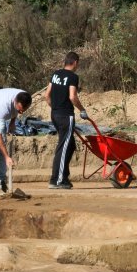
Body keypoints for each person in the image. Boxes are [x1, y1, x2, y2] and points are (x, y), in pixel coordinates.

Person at [44, 52, 88, 189]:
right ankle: (57, 180)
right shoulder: (73, 77)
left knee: (70, 145)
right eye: (78, 63)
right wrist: (82, 110)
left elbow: (47, 95)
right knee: (63, 147)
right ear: (75, 62)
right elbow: (72, 97)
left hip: (55, 115)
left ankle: (64, 177)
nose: (77, 66)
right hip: (66, 116)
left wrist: (55, 108)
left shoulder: (56, 74)